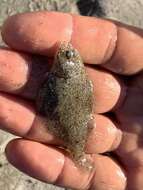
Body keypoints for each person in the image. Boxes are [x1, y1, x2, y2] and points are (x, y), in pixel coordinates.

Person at [0, 11, 143, 190]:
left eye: (68, 55)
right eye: (68, 55)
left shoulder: (60, 74)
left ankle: (77, 154)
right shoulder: (72, 74)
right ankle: (78, 154)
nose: (66, 52)